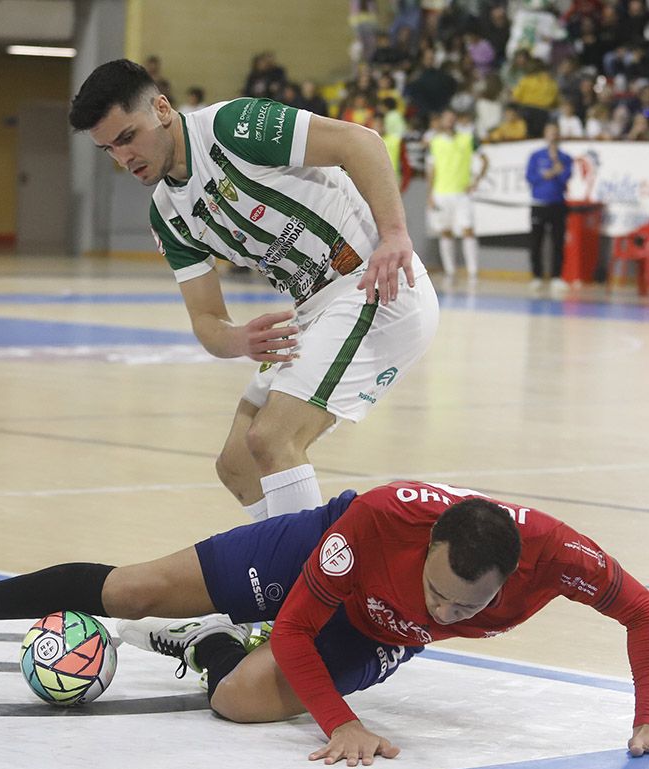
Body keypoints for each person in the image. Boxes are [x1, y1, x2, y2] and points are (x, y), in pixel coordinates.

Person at [0, 480, 649, 768]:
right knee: (142, 589)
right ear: (428, 544)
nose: (452, 615)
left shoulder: (561, 557)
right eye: (442, 593)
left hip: (378, 628)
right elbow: (301, 629)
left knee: (239, 700)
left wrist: (648, 719)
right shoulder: (378, 524)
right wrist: (341, 724)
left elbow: (644, 613)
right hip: (322, 552)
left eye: (471, 608)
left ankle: (208, 648)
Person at [67, 59, 439, 521]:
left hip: (373, 286)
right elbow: (206, 320)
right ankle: (302, 571)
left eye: (127, 137)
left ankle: (312, 586)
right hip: (316, 308)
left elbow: (359, 142)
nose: (124, 158)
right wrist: (237, 340)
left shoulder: (232, 126)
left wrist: (395, 235)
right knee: (239, 466)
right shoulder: (167, 214)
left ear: (162, 108)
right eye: (109, 149)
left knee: (273, 439)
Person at [425, 109, 488, 286]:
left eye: (453, 118)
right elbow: (431, 169)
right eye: (446, 118)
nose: (450, 121)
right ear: (442, 120)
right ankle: (450, 271)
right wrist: (429, 194)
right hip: (441, 193)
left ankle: (473, 272)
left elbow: (485, 159)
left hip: (462, 194)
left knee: (468, 230)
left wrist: (476, 181)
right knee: (445, 232)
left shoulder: (468, 138)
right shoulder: (435, 142)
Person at [525, 121, 573, 295]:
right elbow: (531, 178)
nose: (552, 136)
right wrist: (547, 174)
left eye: (555, 133)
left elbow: (565, 179)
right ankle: (537, 276)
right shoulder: (536, 156)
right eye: (550, 132)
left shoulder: (565, 158)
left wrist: (557, 167)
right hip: (539, 203)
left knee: (557, 242)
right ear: (545, 135)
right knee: (536, 242)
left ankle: (556, 277)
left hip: (558, 204)